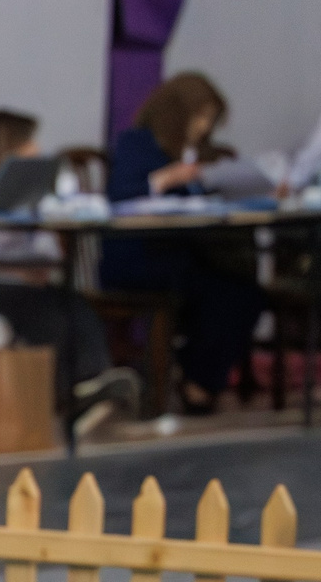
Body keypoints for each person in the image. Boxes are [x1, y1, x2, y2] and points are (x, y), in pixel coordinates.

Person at [0, 108, 135, 428]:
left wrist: (36, 264)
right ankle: (68, 397)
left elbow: (37, 245)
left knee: (72, 303)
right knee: (42, 311)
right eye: (28, 142)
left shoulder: (28, 192)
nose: (36, 149)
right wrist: (14, 268)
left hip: (2, 284)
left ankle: (93, 385)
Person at [104, 73, 267, 413]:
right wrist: (166, 179)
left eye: (210, 119)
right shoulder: (138, 144)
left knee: (244, 293)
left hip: (188, 253)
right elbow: (120, 197)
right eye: (201, 116)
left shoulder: (205, 154)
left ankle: (199, 378)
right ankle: (192, 380)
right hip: (141, 256)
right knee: (217, 291)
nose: (205, 126)